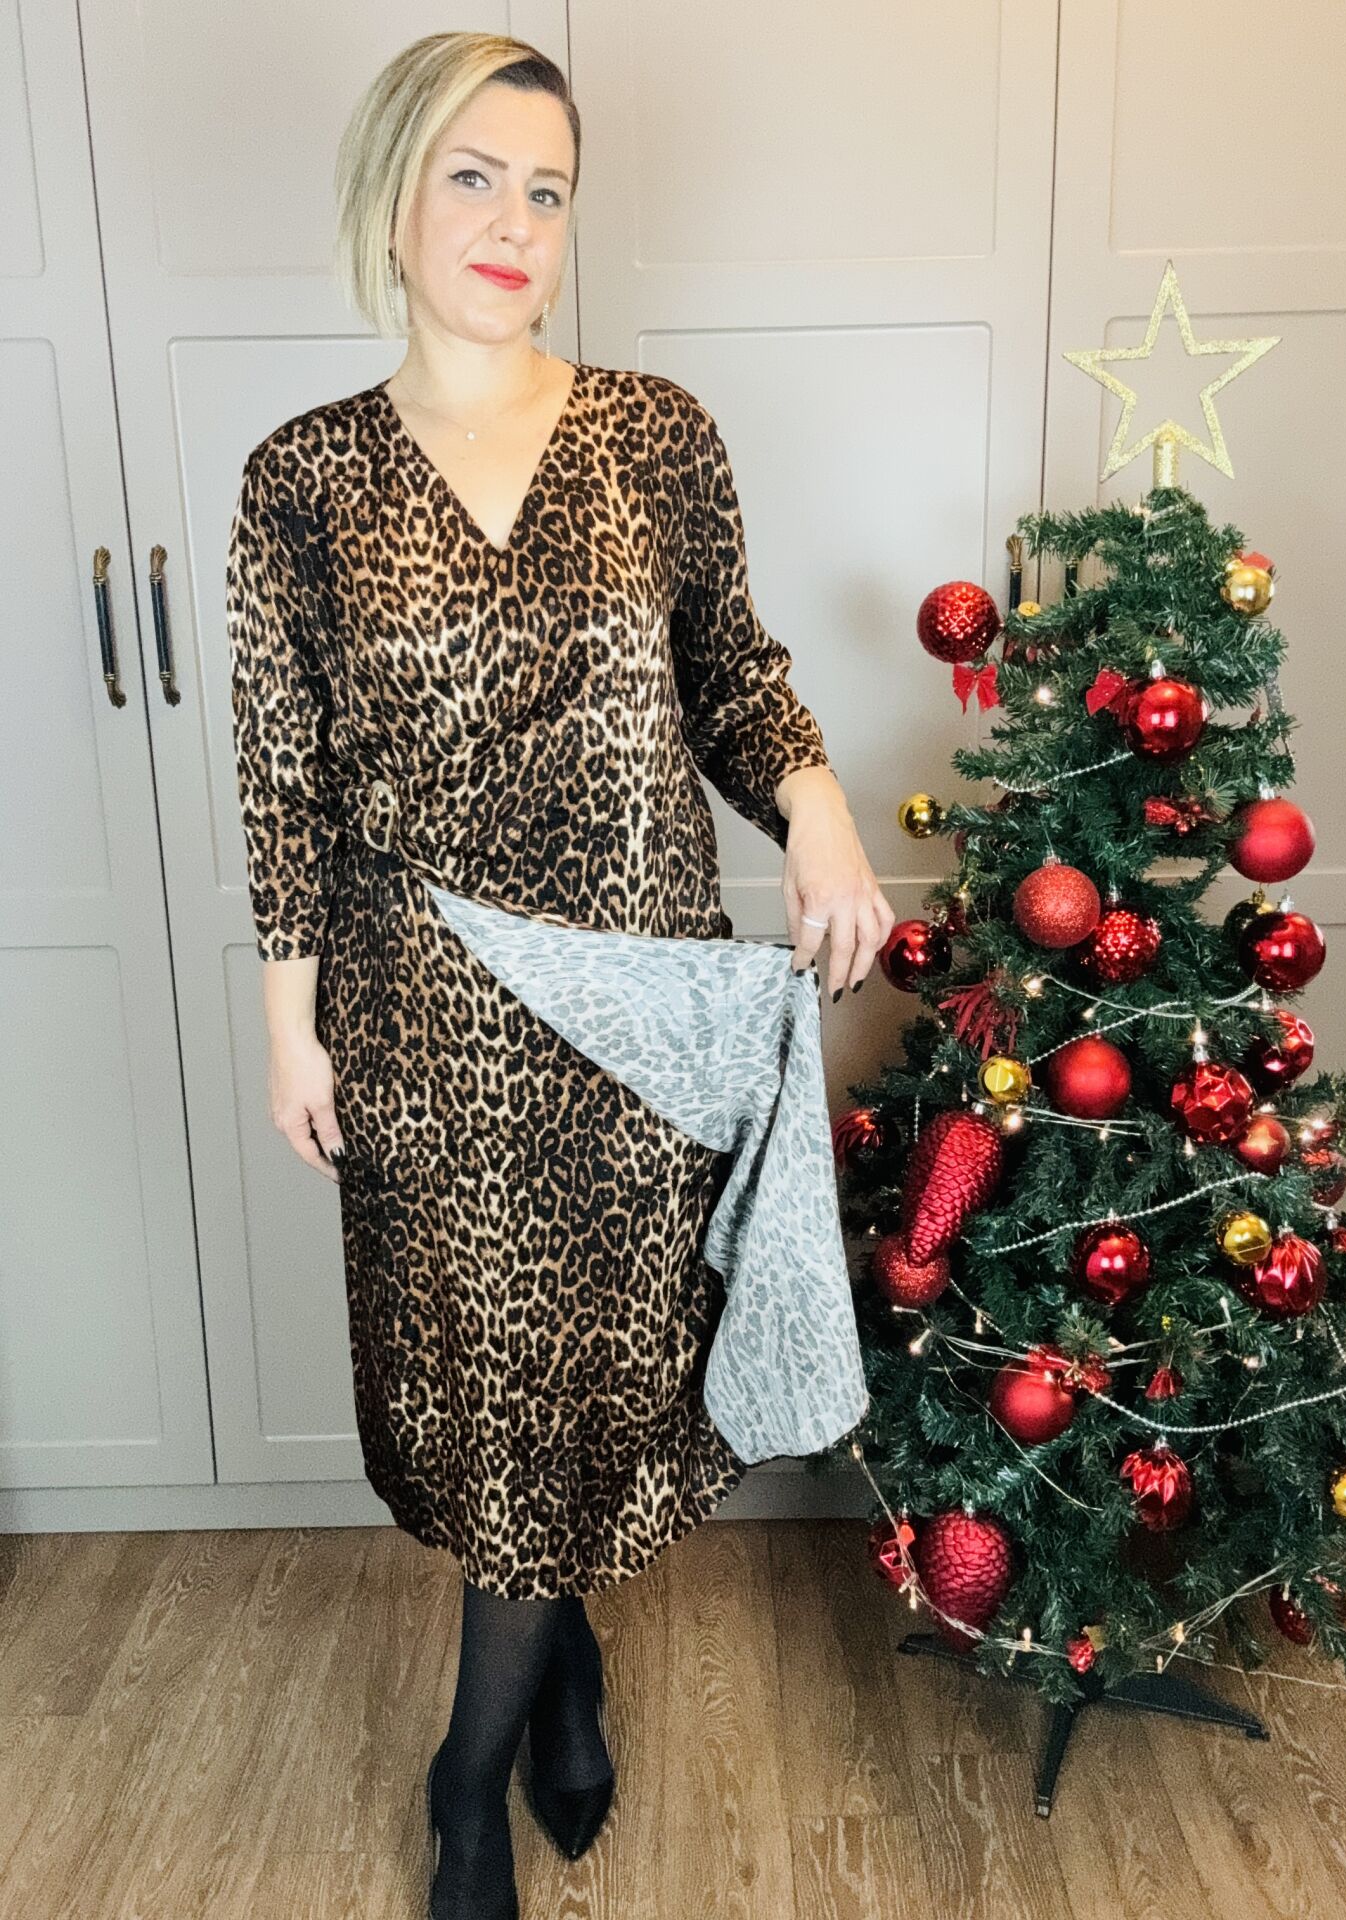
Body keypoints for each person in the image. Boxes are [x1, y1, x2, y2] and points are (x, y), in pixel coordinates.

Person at [226, 30, 893, 1919]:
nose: (513, 221)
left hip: (639, 1016)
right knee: (491, 1397)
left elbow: (733, 675)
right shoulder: (301, 481)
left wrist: (822, 813)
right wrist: (287, 1027)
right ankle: (475, 1778)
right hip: (426, 1021)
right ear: (393, 194)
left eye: (547, 189)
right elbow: (283, 782)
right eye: (472, 176)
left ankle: (538, 1689)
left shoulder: (656, 436)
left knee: (598, 1375)